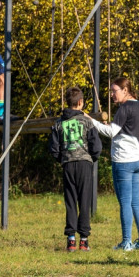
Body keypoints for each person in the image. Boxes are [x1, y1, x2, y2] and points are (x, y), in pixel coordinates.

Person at [90, 77, 139, 251]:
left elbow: (111, 132)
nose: (111, 95)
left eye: (114, 90)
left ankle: (126, 242)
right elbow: (130, 129)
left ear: (125, 90)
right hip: (138, 160)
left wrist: (91, 121)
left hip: (123, 161)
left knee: (125, 202)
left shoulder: (124, 108)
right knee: (136, 202)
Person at [49, 87, 102, 252]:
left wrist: (62, 159)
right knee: (84, 201)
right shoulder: (87, 121)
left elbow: (54, 148)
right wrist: (92, 157)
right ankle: (84, 240)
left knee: (70, 201)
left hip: (68, 164)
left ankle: (71, 239)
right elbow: (96, 146)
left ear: (67, 103)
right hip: (85, 163)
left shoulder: (59, 123)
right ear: (80, 103)